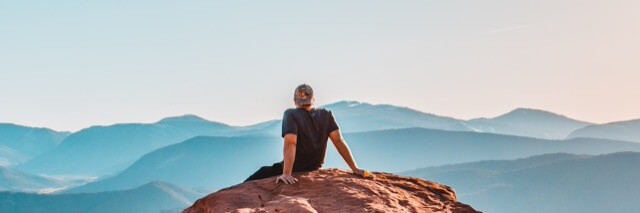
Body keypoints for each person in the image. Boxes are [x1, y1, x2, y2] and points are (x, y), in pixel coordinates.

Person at [245, 84, 371, 184]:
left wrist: (287, 173)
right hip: (314, 167)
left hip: (296, 168)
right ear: (313, 100)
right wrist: (354, 168)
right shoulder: (326, 115)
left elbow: (291, 142)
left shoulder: (291, 114)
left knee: (259, 174)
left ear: (295, 101)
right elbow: (339, 141)